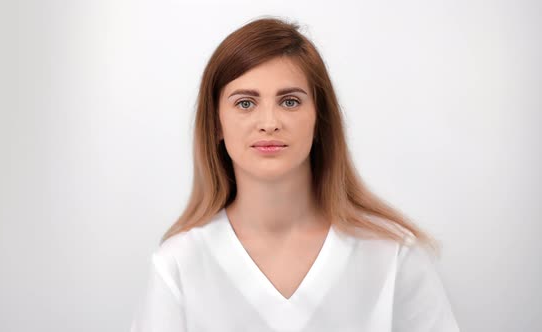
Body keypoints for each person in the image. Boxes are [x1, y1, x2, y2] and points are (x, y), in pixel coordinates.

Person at [130, 16, 460, 332]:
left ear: (320, 119)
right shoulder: (178, 266)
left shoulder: (394, 256)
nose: (269, 122)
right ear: (216, 123)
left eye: (289, 101)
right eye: (245, 103)